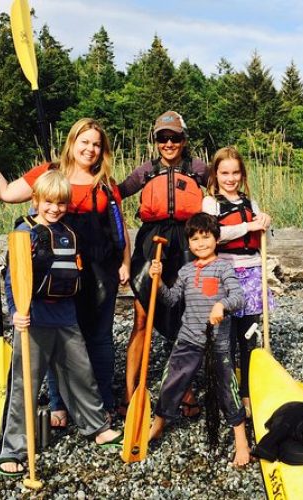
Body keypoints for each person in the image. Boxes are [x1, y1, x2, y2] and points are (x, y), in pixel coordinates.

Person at [0, 118, 130, 424]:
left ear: (103, 150)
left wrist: (125, 262)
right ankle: (59, 403)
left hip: (99, 269)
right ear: (72, 142)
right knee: (56, 335)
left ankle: (103, 402)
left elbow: (119, 226)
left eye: (97, 144)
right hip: (56, 267)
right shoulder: (49, 173)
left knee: (98, 338)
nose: (90, 149)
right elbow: (5, 193)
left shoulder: (106, 183)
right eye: (84, 142)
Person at [0, 170, 122, 477]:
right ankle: (12, 449)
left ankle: (96, 426)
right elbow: (12, 280)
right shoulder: (25, 232)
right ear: (36, 200)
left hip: (66, 316)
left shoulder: (68, 233)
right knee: (25, 384)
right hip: (33, 318)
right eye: (48, 202)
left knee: (81, 374)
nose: (54, 209)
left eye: (61, 203)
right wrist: (14, 312)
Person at [117, 111, 208, 417]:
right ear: (155, 141)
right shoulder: (145, 171)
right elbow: (114, 194)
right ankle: (130, 394)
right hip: (150, 243)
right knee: (141, 319)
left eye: (175, 137)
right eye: (162, 138)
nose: (169, 143)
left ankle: (185, 389)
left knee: (185, 317)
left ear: (184, 139)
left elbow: (227, 185)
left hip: (186, 244)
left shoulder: (198, 169)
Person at [147, 213, 251, 467]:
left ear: (216, 239)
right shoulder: (185, 270)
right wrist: (157, 280)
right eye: (194, 239)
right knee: (171, 382)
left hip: (217, 343)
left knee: (227, 390)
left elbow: (239, 297)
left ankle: (241, 442)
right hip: (188, 339)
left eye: (206, 238)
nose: (200, 243)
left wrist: (221, 305)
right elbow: (171, 299)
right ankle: (157, 426)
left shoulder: (223, 268)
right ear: (189, 243)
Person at [202, 146, 273, 417]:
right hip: (226, 275)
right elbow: (212, 234)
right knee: (225, 340)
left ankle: (247, 393)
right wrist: (248, 226)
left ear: (242, 174)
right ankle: (227, 393)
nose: (230, 178)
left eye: (235, 173)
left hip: (252, 272)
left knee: (249, 337)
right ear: (215, 174)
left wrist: (265, 221)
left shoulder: (250, 203)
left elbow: (265, 238)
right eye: (224, 173)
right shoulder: (211, 203)